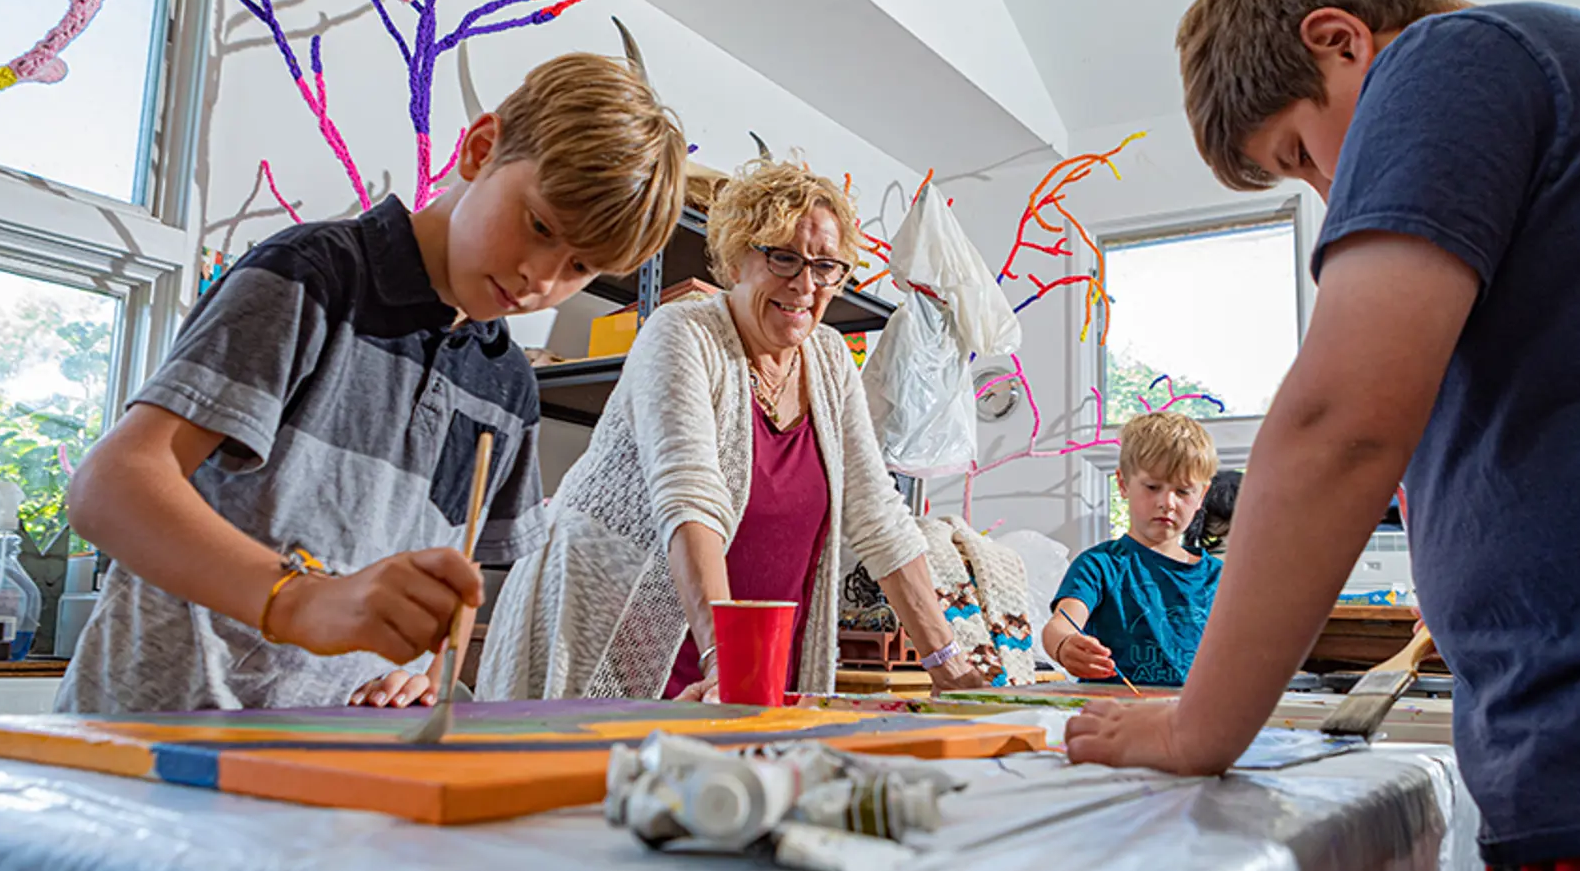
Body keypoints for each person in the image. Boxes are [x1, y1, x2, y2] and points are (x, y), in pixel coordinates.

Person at [1065, 0, 1580, 871]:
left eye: (1301, 155)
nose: (1332, 192)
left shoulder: (1449, 57)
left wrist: (1197, 727)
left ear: (1341, 43)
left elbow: (1339, 426)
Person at [54, 53, 686, 713]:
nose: (542, 279)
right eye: (540, 226)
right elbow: (110, 487)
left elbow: (455, 590)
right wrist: (298, 601)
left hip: (313, 756)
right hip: (146, 730)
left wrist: (420, 672)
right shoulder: (311, 277)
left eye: (580, 267)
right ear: (480, 150)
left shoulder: (508, 388)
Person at [478, 159, 984, 701]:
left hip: (747, 651)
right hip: (614, 626)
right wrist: (727, 659)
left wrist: (949, 663)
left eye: (825, 267)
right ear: (738, 258)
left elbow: (878, 514)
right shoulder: (683, 334)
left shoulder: (831, 358)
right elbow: (689, 496)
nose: (804, 285)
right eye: (783, 258)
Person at [1044, 413, 1220, 686]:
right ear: (1123, 484)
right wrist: (1065, 644)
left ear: (1201, 496)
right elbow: (1061, 623)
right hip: (1114, 709)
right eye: (1152, 487)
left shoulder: (1220, 577)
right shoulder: (1099, 565)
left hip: (1196, 711)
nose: (1167, 503)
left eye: (1183, 491)